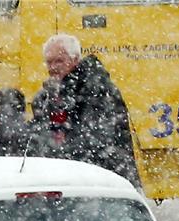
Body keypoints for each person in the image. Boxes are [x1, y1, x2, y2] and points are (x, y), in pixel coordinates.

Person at [31, 33, 139, 186]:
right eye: (49, 62)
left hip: (107, 181)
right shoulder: (47, 96)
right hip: (71, 182)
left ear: (75, 60)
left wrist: (54, 153)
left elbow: (95, 140)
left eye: (59, 61)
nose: (53, 67)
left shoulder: (97, 89)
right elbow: (37, 136)